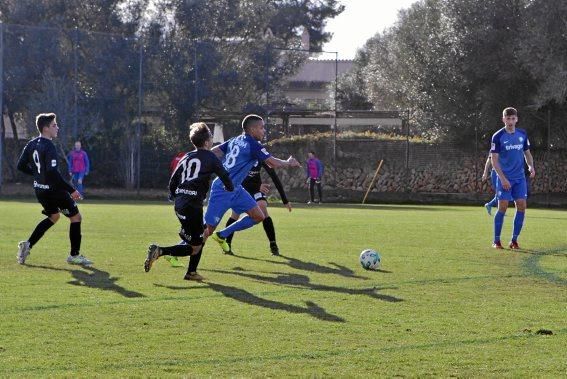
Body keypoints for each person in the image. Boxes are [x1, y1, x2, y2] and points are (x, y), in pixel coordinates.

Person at [144, 122, 234, 281]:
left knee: (204, 234)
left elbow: (174, 179)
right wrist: (230, 188)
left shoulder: (186, 156)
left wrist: (174, 195)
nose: (212, 139)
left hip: (180, 203)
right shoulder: (211, 157)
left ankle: (191, 272)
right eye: (211, 137)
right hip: (193, 205)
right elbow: (224, 175)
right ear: (206, 142)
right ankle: (160, 251)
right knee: (195, 247)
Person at [205, 114, 301, 254]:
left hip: (236, 189)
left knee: (259, 216)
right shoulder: (253, 145)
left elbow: (216, 151)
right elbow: (273, 162)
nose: (264, 131)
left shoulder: (235, 140)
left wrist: (200, 155)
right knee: (207, 229)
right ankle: (173, 251)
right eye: (262, 128)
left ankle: (222, 235)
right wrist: (288, 162)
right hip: (223, 189)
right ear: (252, 129)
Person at [16, 113, 92, 266]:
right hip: (54, 191)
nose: (57, 127)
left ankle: (28, 245)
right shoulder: (49, 146)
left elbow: (20, 166)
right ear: (45, 128)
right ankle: (74, 255)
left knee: (54, 217)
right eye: (54, 125)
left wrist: (38, 175)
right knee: (76, 218)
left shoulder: (31, 144)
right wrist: (71, 190)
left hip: (40, 190)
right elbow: (53, 174)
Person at [224, 161, 292, 256]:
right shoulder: (243, 157)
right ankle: (227, 244)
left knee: (263, 210)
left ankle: (273, 245)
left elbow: (274, 177)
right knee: (235, 214)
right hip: (242, 189)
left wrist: (285, 200)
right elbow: (237, 179)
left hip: (256, 190)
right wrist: (257, 186)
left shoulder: (261, 156)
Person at [490, 107, 535, 249]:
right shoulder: (497, 136)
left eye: (513, 118)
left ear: (517, 119)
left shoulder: (522, 134)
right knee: (502, 207)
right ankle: (496, 241)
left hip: (520, 178)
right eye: (507, 118)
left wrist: (531, 166)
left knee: (521, 206)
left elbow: (527, 153)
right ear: (503, 119)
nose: (510, 121)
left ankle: (514, 241)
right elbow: (494, 160)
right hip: (505, 178)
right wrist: (502, 179)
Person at [163, 151, 192, 268]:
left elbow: (172, 171)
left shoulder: (181, 157)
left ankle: (172, 254)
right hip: (188, 194)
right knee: (201, 233)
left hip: (182, 193)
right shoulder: (192, 157)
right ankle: (170, 253)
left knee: (200, 232)